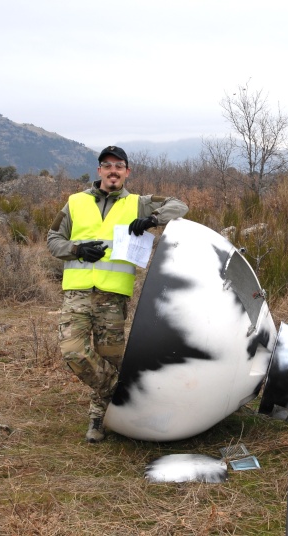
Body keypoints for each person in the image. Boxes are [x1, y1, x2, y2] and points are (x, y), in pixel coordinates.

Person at [47, 146, 188, 442]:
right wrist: (76, 249)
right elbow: (53, 239)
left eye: (119, 166)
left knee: (110, 358)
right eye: (107, 165)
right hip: (78, 294)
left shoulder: (138, 203)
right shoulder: (75, 202)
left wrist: (153, 219)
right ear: (99, 171)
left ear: (127, 172)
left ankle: (98, 418)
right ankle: (124, 392)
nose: (113, 171)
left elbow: (180, 206)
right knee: (72, 352)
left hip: (113, 298)